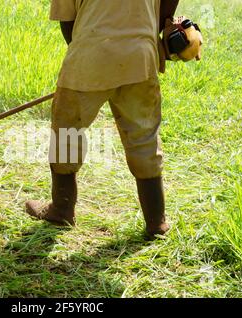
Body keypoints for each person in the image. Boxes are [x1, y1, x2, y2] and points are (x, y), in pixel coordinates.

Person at [25, 0, 181, 239]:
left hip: (90, 53)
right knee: (144, 136)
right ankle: (156, 223)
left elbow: (68, 24)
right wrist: (151, 30)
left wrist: (90, 57)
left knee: (67, 132)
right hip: (141, 56)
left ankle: (62, 209)